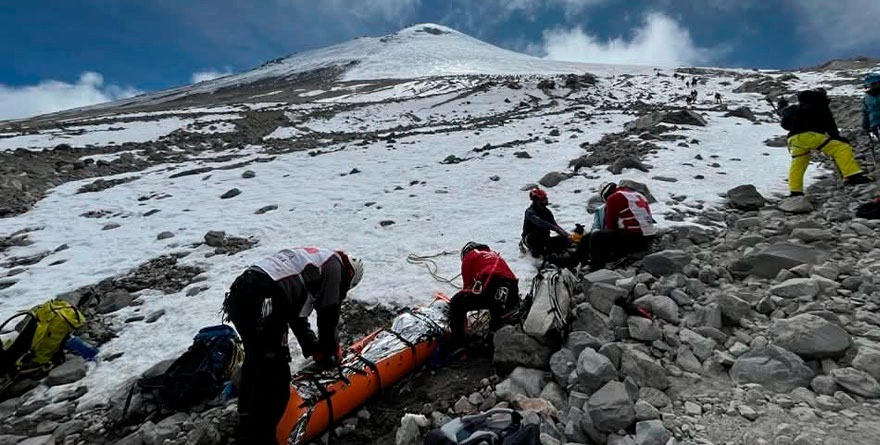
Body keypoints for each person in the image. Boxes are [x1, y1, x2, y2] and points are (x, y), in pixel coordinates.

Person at [222, 247, 364, 445]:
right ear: (349, 275)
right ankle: (264, 437)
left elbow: (296, 316)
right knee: (275, 373)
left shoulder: (312, 263)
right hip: (263, 296)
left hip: (242, 292)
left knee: (256, 361)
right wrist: (331, 352)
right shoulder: (334, 266)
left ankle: (245, 421)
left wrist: (313, 348)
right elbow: (328, 315)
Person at [779, 88, 870, 196]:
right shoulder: (820, 105)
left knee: (799, 163)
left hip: (794, 139)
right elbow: (829, 123)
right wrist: (836, 136)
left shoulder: (795, 108)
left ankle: (795, 191)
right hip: (811, 136)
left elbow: (785, 121)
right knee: (841, 147)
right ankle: (852, 175)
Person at [448, 242, 519, 354]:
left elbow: (467, 287)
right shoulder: (495, 255)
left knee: (457, 302)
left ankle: (459, 345)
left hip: (491, 283)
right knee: (497, 307)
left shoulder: (470, 256)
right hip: (511, 289)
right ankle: (492, 338)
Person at [575, 183, 657, 271]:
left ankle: (596, 268)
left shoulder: (614, 198)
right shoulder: (638, 195)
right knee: (597, 237)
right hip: (648, 238)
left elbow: (611, 226)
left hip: (636, 240)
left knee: (596, 237)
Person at [520, 188, 570, 259]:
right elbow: (540, 222)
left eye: (545, 198)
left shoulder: (547, 212)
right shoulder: (530, 212)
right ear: (536, 201)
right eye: (543, 199)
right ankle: (551, 256)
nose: (546, 200)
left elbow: (554, 225)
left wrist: (566, 235)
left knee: (562, 240)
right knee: (542, 233)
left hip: (544, 239)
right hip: (530, 239)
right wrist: (554, 228)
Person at [862, 73, 880, 138]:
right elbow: (866, 112)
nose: (873, 86)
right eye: (871, 84)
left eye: (875, 84)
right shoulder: (867, 97)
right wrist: (866, 125)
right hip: (875, 125)